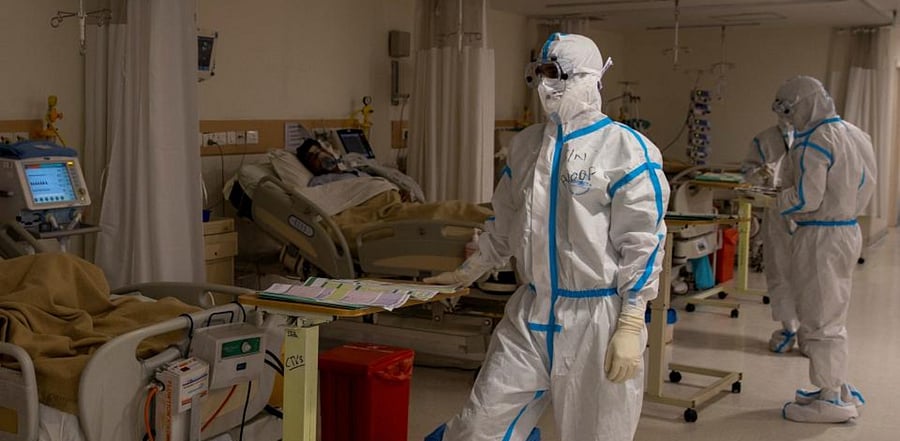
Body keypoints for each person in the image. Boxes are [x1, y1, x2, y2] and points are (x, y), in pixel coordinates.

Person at [423, 33, 669, 441]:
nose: (546, 87)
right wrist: (468, 271)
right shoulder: (524, 147)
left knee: (597, 434)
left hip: (597, 318)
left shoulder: (626, 150)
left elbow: (643, 242)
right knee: (478, 427)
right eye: (540, 74)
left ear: (591, 78)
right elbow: (504, 225)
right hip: (531, 310)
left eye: (557, 75)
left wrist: (630, 320)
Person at [772, 75, 876, 423]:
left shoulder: (815, 140)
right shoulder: (855, 133)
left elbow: (807, 197)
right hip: (845, 230)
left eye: (789, 110)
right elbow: (865, 184)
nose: (788, 118)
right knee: (831, 310)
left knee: (820, 316)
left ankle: (831, 397)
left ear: (804, 104)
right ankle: (832, 385)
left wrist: (776, 199)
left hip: (820, 236)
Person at [741, 124, 800, 353]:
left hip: (809, 215)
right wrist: (759, 175)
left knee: (810, 277)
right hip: (776, 211)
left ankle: (811, 333)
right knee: (779, 271)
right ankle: (789, 327)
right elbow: (748, 173)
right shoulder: (765, 139)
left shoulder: (816, 139)